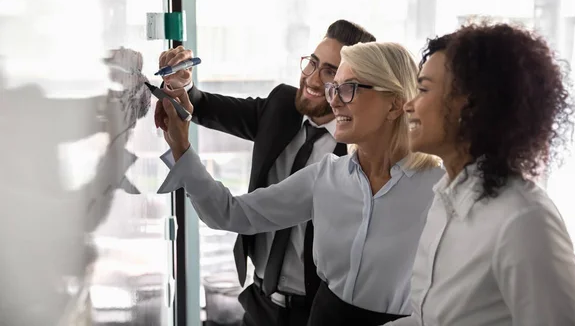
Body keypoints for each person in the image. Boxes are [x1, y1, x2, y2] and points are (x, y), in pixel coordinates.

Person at [155, 42, 444, 326]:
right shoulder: (325, 177)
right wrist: (181, 148)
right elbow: (232, 213)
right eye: (335, 88)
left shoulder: (439, 189)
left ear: (394, 105)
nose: (333, 100)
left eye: (348, 88)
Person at [384, 23, 575, 326]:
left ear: (471, 105)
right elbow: (427, 320)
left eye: (424, 89)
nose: (410, 105)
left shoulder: (524, 220)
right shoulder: (443, 201)